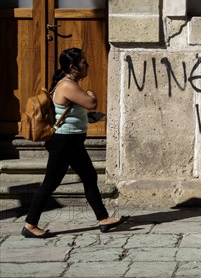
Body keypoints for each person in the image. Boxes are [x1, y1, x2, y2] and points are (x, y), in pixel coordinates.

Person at [22, 48, 128, 238]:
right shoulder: (67, 85)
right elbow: (91, 102)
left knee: (89, 176)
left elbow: (76, 111)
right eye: (83, 63)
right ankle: (30, 224)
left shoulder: (69, 83)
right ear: (73, 67)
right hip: (64, 141)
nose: (87, 65)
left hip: (73, 141)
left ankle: (103, 219)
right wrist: (91, 93)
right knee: (50, 183)